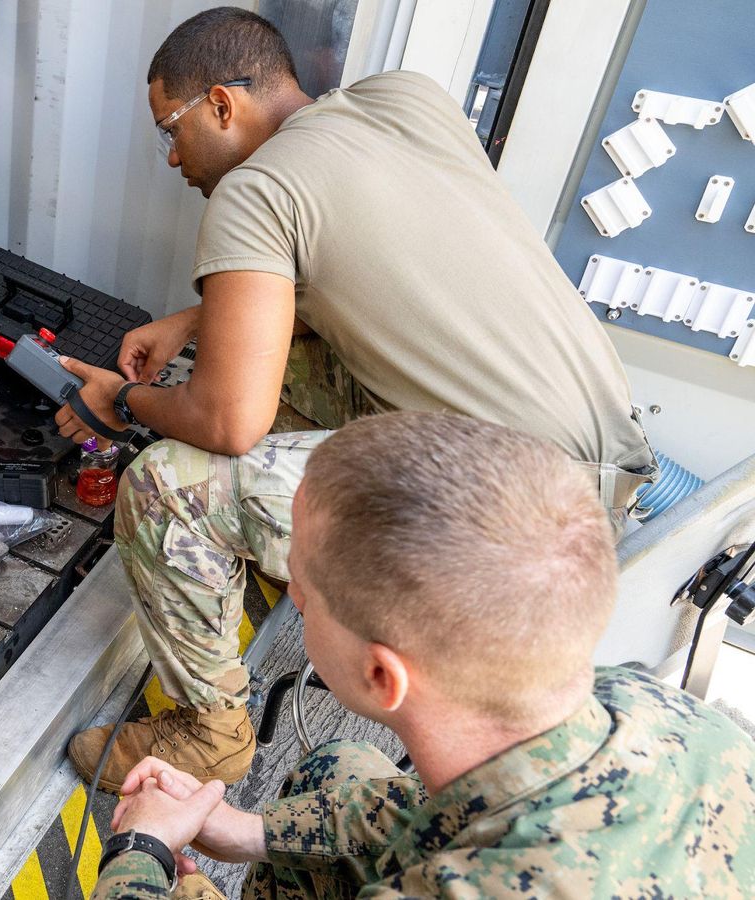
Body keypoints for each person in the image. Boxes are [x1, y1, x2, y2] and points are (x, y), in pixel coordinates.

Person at [59, 8, 656, 791]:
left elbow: (230, 423)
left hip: (510, 538)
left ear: (222, 105)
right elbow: (378, 256)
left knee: (166, 486)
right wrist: (196, 319)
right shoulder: (405, 100)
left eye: (171, 128)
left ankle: (208, 733)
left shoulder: (255, 189)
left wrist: (129, 399)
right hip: (592, 476)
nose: (172, 156)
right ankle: (279, 539)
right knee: (289, 347)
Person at [88, 412, 755, 899]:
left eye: (304, 590)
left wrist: (140, 854)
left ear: (383, 676)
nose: (290, 593)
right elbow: (443, 807)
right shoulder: (650, 705)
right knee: (337, 768)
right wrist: (244, 831)